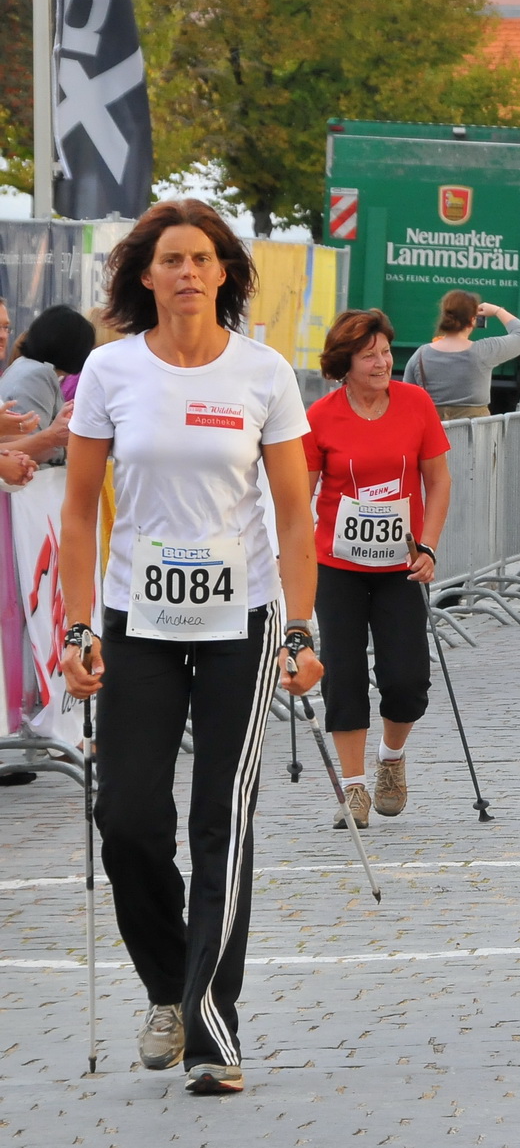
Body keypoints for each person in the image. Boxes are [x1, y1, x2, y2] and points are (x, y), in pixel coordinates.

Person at [57, 199, 323, 1095]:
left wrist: (298, 627)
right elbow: (80, 508)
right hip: (136, 621)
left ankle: (213, 1028)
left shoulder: (262, 373)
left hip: (237, 625)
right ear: (144, 274)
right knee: (128, 818)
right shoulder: (110, 370)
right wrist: (79, 625)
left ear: (222, 273)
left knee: (222, 819)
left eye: (201, 259)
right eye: (169, 259)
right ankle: (167, 983)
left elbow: (293, 513)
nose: (185, 273)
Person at [304, 308, 452, 828]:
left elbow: (438, 481)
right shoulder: (321, 417)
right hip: (337, 564)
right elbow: (300, 495)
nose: (383, 362)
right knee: (342, 675)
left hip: (400, 565)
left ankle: (391, 759)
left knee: (406, 678)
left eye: (387, 352)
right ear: (343, 363)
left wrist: (428, 547)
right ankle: (353, 788)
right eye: (370, 355)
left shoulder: (415, 405)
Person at [403, 290, 520, 419]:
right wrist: (498, 310)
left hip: (434, 433)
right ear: (473, 320)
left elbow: (407, 395)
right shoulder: (483, 351)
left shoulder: (421, 354)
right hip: (475, 436)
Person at [0, 303, 89, 463]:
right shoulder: (38, 375)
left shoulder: (24, 366)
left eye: (6, 328)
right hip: (31, 483)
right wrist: (66, 445)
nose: (3, 336)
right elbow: (33, 449)